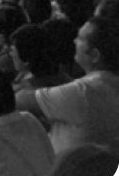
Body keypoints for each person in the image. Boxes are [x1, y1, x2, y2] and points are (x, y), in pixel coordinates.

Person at [17, 15, 119, 155]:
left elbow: (23, 100)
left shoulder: (84, 92)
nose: (74, 40)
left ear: (95, 55)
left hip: (75, 174)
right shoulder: (107, 84)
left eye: (81, 38)